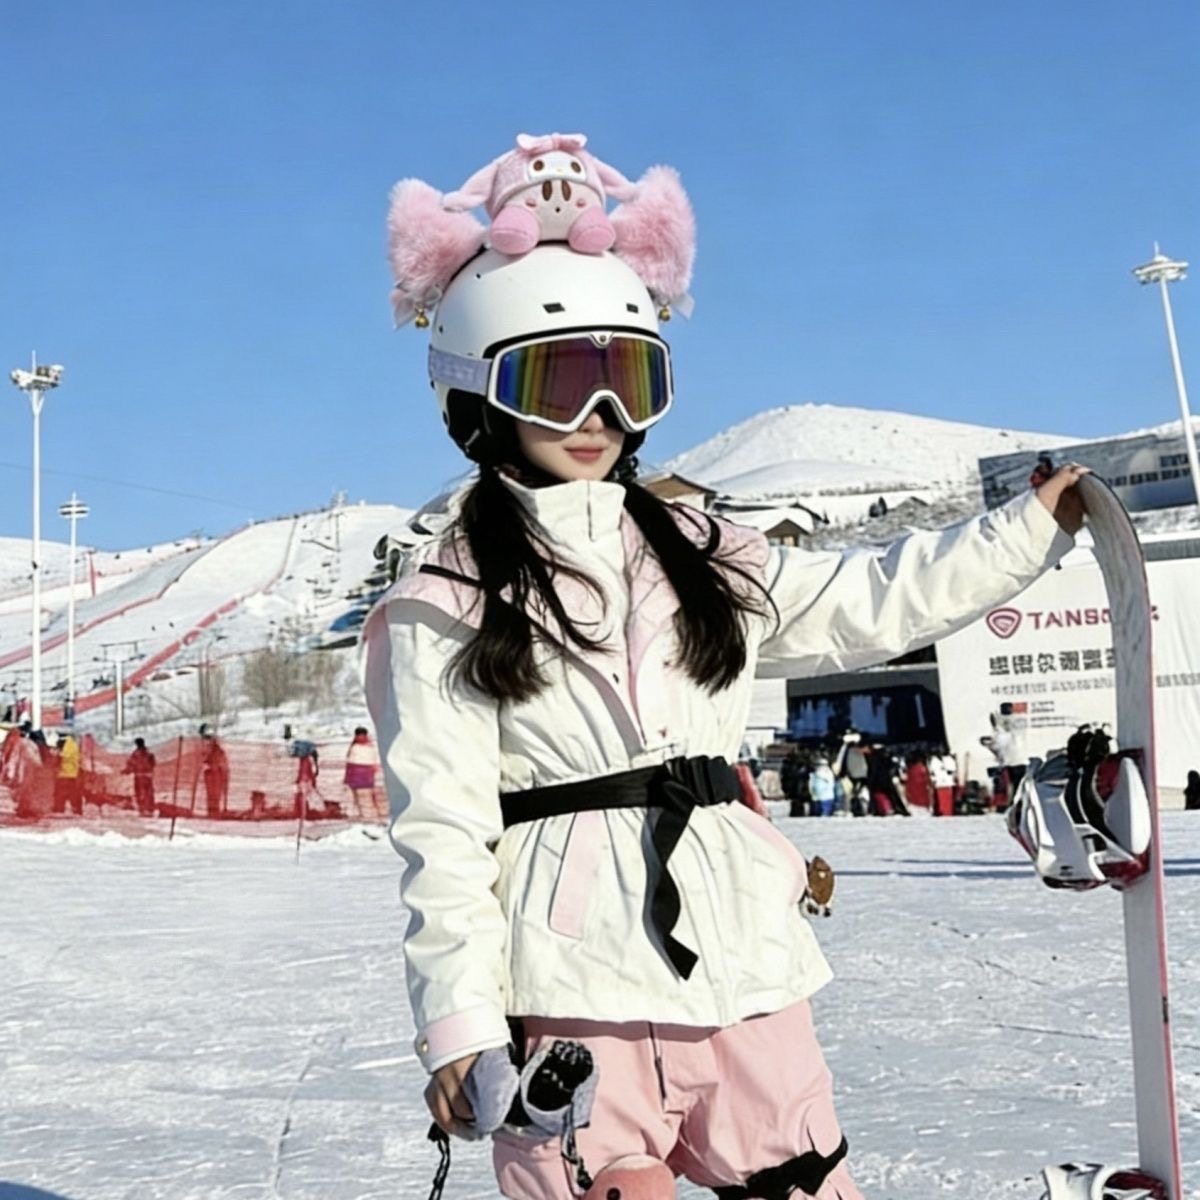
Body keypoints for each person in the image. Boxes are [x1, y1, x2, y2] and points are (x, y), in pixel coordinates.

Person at [363, 140, 1087, 1200]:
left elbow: (865, 602)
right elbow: (441, 829)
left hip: (742, 956)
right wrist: (462, 1026)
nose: (595, 420)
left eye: (626, 381)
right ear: (479, 396)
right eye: (557, 384)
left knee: (803, 1179)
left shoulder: (700, 549)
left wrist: (1024, 532)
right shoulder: (447, 597)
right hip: (573, 985)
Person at [343, 726, 379, 813]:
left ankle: (359, 810)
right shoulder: (369, 746)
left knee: (357, 793)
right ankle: (369, 810)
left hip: (356, 770)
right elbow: (373, 760)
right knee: (367, 793)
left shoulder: (354, 746)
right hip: (362, 770)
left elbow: (348, 758)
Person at [198, 724, 229, 818]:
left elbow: (220, 762)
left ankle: (214, 811)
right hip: (211, 774)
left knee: (215, 793)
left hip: (216, 774)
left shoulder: (217, 751)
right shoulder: (207, 749)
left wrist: (213, 766)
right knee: (211, 793)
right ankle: (211, 810)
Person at [123, 737, 157, 816]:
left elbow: (131, 765)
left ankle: (143, 810)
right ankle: (149, 810)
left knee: (140, 793)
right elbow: (153, 764)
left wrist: (126, 771)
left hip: (139, 776)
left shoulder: (135, 754)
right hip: (148, 776)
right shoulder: (149, 753)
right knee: (148, 793)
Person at [54, 731, 82, 815]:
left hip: (66, 773)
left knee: (61, 794)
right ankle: (76, 810)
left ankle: (59, 810)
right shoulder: (72, 743)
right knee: (72, 793)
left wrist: (56, 754)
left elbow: (63, 756)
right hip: (71, 773)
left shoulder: (68, 744)